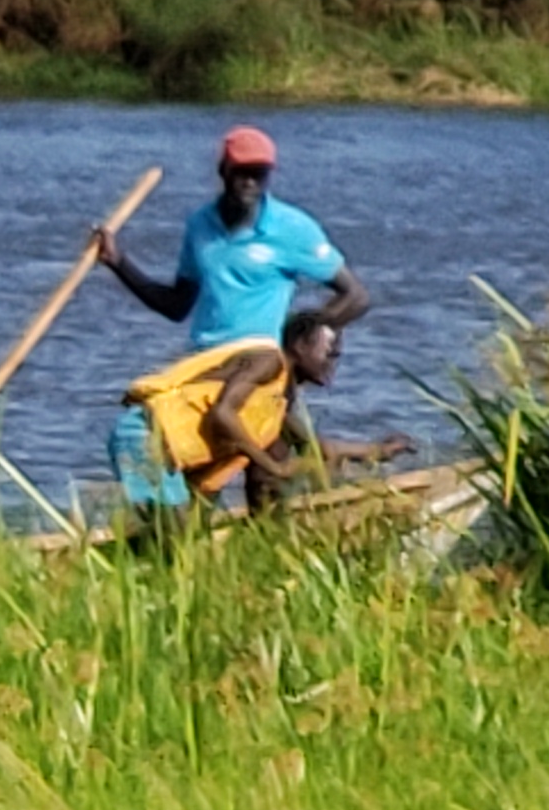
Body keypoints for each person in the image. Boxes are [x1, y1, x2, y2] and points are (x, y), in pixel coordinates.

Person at [94, 125, 369, 347]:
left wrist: (307, 332)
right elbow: (176, 307)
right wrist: (118, 262)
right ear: (223, 170)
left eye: (258, 174)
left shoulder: (293, 228)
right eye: (242, 172)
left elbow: (356, 296)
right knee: (141, 415)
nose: (250, 182)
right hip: (206, 360)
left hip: (261, 366)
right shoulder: (199, 225)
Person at [109, 309, 345, 522]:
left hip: (169, 451)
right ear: (301, 345)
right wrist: (274, 467)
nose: (332, 362)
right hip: (146, 434)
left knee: (185, 532)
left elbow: (315, 446)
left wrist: (380, 451)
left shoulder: (277, 401)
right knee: (172, 533)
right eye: (328, 352)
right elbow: (222, 414)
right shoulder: (268, 361)